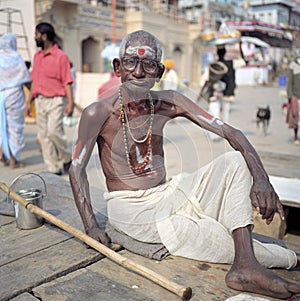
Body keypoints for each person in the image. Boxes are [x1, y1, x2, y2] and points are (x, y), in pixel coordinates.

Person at [69, 30, 300, 300]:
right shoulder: (97, 112)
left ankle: (245, 263)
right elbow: (76, 168)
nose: (139, 72)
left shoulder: (168, 102)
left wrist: (262, 179)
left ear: (159, 73)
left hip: (169, 192)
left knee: (235, 161)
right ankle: (284, 258)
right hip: (132, 210)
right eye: (131, 62)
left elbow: (231, 132)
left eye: (149, 65)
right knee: (210, 235)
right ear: (118, 67)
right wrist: (91, 226)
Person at [26, 22, 74, 175]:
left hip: (56, 101)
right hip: (39, 100)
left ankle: (66, 158)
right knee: (44, 136)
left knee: (54, 132)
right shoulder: (37, 56)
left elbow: (67, 81)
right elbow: (34, 81)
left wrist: (71, 103)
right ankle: (53, 168)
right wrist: (29, 102)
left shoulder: (61, 57)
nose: (35, 37)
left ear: (44, 36)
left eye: (36, 34)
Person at [200, 44, 246, 141]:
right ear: (225, 53)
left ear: (217, 53)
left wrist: (201, 93)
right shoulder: (231, 63)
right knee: (225, 115)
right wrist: (240, 45)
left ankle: (214, 135)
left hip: (214, 94)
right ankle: (225, 134)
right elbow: (243, 62)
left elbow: (206, 80)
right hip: (227, 94)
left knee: (214, 114)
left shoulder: (213, 65)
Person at [0, 33, 31, 168]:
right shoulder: (17, 58)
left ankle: (1, 155)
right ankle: (14, 160)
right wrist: (32, 95)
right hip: (14, 96)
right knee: (14, 128)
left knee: (1, 127)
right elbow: (25, 79)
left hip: (0, 96)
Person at [286, 52, 300, 145]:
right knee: (295, 117)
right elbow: (289, 82)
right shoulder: (293, 65)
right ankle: (296, 137)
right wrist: (290, 96)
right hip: (296, 95)